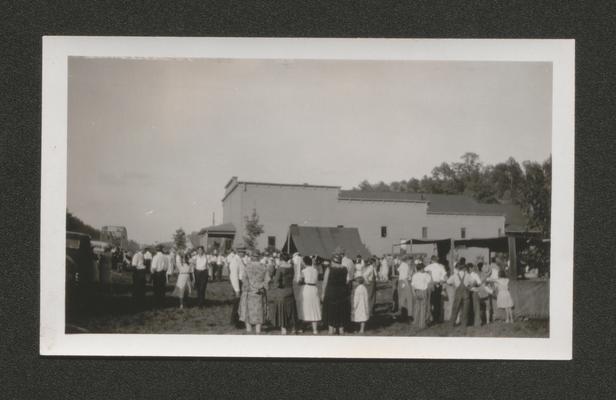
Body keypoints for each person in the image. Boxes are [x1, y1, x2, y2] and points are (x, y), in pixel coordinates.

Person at [239, 250, 270, 334]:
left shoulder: (247, 267)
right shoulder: (264, 267)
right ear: (259, 257)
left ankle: (249, 330)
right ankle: (258, 330)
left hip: (249, 292)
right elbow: (267, 280)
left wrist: (248, 288)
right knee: (259, 311)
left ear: (252, 257)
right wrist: (261, 287)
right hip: (259, 292)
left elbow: (244, 279)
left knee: (247, 311)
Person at [267, 253, 298, 335]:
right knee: (291, 309)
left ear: (281, 259)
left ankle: (283, 328)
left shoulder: (280, 268)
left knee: (282, 309)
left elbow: (276, 281)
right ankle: (293, 328)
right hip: (290, 289)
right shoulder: (292, 267)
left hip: (282, 291)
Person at [322, 254, 351, 335]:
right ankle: (341, 329)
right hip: (342, 292)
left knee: (330, 310)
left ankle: (331, 329)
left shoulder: (329, 269)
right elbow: (347, 281)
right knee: (341, 310)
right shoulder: (345, 269)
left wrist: (323, 293)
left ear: (333, 261)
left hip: (331, 292)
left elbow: (325, 282)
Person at [447, 259, 473, 327]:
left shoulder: (455, 275)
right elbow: (473, 282)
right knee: (465, 309)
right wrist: (469, 287)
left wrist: (454, 285)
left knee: (455, 309)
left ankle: (451, 324)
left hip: (458, 294)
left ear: (458, 268)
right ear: (464, 268)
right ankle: (464, 324)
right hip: (466, 294)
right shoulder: (467, 275)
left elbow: (448, 282)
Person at [301, 256, 321, 334]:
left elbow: (301, 280)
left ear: (305, 263)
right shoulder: (315, 270)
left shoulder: (303, 271)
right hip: (314, 288)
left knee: (306, 307)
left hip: (307, 288)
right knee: (314, 307)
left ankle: (303, 328)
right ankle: (315, 329)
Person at [425, 255, 447, 324]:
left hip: (430, 285)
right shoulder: (441, 267)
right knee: (437, 302)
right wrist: (441, 281)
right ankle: (437, 318)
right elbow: (445, 277)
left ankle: (430, 317)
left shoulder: (428, 267)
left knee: (430, 302)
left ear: (431, 260)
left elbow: (423, 273)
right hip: (438, 285)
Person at [411, 261, 432, 329]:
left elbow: (413, 285)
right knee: (423, 308)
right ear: (422, 268)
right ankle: (422, 324)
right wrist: (430, 274)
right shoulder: (426, 275)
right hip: (423, 291)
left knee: (417, 308)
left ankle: (415, 322)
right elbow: (430, 282)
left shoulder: (414, 275)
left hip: (416, 291)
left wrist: (413, 293)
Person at [228, 248, 245, 327]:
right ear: (237, 252)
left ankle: (237, 320)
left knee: (240, 303)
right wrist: (237, 290)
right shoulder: (235, 261)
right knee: (237, 303)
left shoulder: (240, 260)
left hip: (241, 282)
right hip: (238, 283)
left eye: (244, 251)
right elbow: (234, 276)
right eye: (241, 251)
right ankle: (235, 321)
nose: (243, 252)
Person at [395, 255, 413, 322]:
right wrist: (408, 285)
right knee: (409, 299)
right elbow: (405, 277)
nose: (411, 262)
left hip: (401, 282)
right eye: (410, 261)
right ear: (407, 260)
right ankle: (409, 315)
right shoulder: (405, 266)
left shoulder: (402, 265)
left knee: (402, 299)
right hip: (405, 282)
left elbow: (398, 270)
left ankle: (403, 315)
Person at [467, 263, 483, 327]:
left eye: (469, 268)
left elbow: (479, 283)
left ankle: (477, 322)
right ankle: (470, 322)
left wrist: (474, 283)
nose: (469, 269)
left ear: (471, 268)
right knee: (469, 307)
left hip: (474, 292)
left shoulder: (475, 275)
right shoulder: (466, 275)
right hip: (468, 292)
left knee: (476, 307)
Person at [291, 252, 305, 323]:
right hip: (300, 281)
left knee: (295, 299)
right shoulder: (301, 260)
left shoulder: (293, 260)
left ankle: (295, 317)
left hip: (294, 280)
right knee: (300, 299)